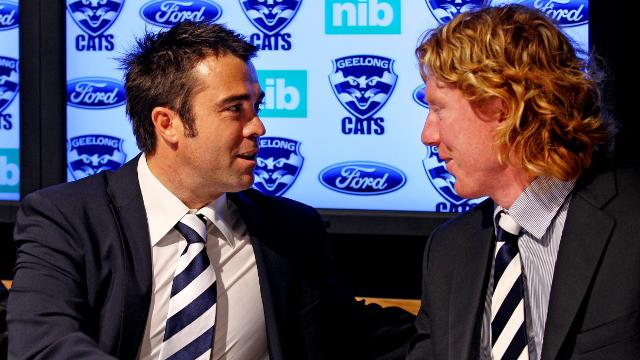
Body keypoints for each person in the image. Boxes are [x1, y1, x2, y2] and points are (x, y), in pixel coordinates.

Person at [8, 21, 414, 360]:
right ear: (167, 123)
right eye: (235, 108)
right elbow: (43, 343)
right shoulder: (65, 218)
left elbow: (355, 334)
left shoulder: (290, 229)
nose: (258, 127)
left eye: (257, 106)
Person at [408, 4, 639, 360]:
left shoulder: (631, 225)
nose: (428, 135)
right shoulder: (449, 252)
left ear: (500, 104)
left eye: (438, 108)